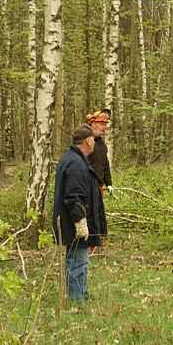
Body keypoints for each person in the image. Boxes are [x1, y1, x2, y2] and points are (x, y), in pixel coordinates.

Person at [52, 126, 107, 301]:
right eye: (93, 140)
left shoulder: (74, 159)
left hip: (71, 221)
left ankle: (80, 294)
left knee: (79, 261)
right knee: (77, 262)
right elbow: (73, 197)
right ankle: (77, 301)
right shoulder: (76, 163)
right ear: (88, 141)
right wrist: (80, 223)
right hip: (73, 223)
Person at [84, 109, 112, 190]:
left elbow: (105, 164)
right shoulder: (84, 141)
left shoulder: (101, 144)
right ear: (93, 124)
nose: (104, 127)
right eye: (101, 124)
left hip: (99, 188)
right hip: (86, 187)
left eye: (105, 124)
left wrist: (109, 183)